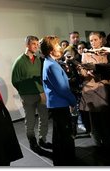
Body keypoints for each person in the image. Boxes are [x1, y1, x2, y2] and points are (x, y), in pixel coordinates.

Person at [11, 35, 52, 153]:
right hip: (28, 96)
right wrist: (25, 90)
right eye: (34, 44)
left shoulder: (38, 59)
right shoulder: (19, 61)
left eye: (37, 44)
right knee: (30, 120)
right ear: (27, 45)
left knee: (44, 117)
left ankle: (42, 139)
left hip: (41, 93)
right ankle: (32, 142)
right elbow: (15, 80)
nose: (36, 46)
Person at [40, 35, 77, 166]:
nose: (59, 47)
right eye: (56, 45)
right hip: (60, 104)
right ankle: (67, 161)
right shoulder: (52, 65)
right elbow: (62, 89)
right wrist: (73, 101)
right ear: (50, 50)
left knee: (59, 134)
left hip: (56, 104)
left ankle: (60, 159)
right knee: (65, 134)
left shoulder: (49, 62)